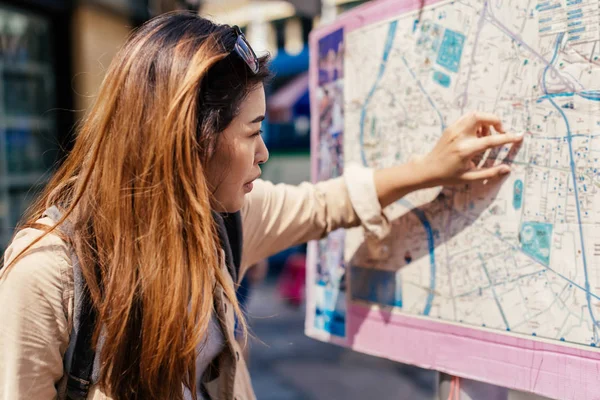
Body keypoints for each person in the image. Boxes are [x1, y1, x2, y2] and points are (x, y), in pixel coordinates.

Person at [0, 11, 523, 400]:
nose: (265, 154)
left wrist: (432, 169)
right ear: (189, 141)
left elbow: (326, 204)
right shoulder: (48, 274)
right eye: (252, 133)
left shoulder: (223, 218)